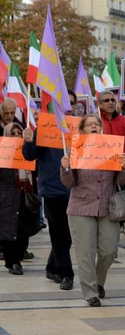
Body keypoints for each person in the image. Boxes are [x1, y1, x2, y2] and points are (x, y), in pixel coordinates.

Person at [60, 115, 125, 306]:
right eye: (89, 124)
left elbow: (121, 181)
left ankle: (98, 282)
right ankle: (90, 292)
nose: (94, 126)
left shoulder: (111, 148)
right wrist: (65, 168)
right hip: (81, 207)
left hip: (108, 207)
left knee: (109, 250)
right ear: (82, 130)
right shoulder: (76, 150)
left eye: (97, 124)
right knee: (86, 253)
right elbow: (69, 183)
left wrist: (124, 166)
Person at [22, 119, 75, 290]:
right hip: (53, 189)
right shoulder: (44, 130)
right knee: (59, 233)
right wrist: (29, 141)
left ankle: (53, 267)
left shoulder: (77, 128)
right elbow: (30, 156)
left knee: (68, 235)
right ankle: (66, 273)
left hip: (77, 189)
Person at [0, 123, 40, 275]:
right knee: (9, 229)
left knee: (24, 227)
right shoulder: (2, 151)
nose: (17, 135)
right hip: (8, 195)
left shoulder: (28, 149)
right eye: (13, 133)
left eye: (19, 132)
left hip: (25, 193)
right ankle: (13, 261)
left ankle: (20, 254)